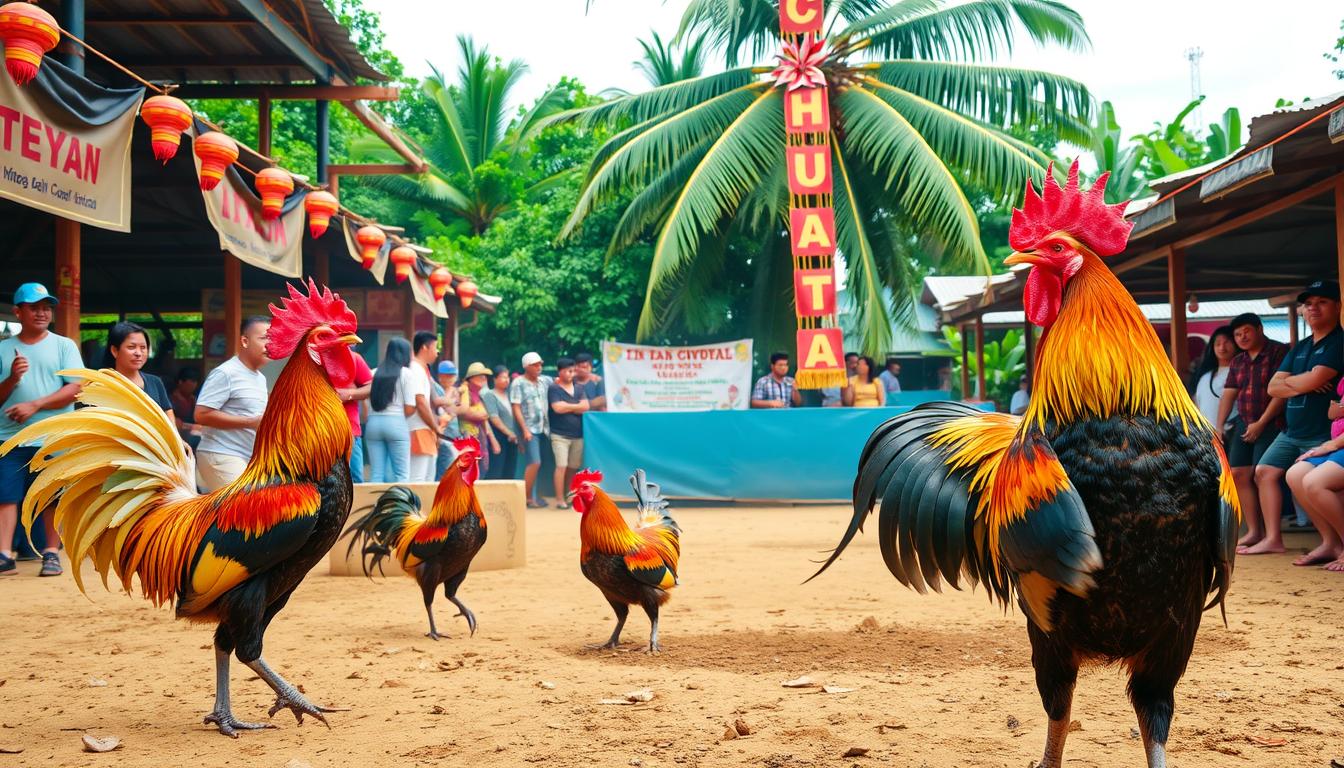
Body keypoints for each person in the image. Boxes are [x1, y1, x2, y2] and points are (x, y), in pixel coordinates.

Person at [1248, 281, 1344, 555]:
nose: (1313, 308)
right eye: (1308, 303)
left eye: (1322, 302)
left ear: (1337, 306)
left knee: (1317, 483)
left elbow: (1313, 379)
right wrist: (1306, 382)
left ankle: (1334, 543)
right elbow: (1272, 387)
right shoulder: (1300, 346)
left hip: (1323, 431)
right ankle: (1274, 539)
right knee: (1264, 472)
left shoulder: (1339, 342)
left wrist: (1302, 382)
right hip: (1292, 430)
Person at [0, 282, 81, 576]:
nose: (42, 313)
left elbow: (76, 388)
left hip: (52, 434)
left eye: (46, 307)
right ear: (18, 312)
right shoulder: (3, 348)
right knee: (5, 495)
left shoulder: (64, 345)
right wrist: (11, 378)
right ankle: (4, 554)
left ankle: (50, 552)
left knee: (52, 494)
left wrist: (34, 405)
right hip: (9, 436)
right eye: (34, 308)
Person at [1217, 312, 1289, 552]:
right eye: (1237, 334)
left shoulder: (1279, 352)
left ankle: (1272, 535)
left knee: (1262, 475)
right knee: (1237, 474)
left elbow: (1282, 391)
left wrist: (1261, 422)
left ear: (1259, 328)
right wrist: (1218, 426)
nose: (1242, 337)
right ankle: (1254, 531)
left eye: (1246, 331)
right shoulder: (1238, 361)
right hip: (1243, 422)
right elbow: (1229, 393)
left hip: (1272, 422)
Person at [193, 316, 270, 493]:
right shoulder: (226, 372)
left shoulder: (260, 378)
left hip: (246, 457)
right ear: (244, 341)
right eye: (264, 338)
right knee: (245, 510)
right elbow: (201, 414)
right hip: (221, 454)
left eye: (272, 338)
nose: (270, 344)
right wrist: (250, 422)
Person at [1286, 374, 1344, 572]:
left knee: (1314, 482)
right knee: (1295, 474)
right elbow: (1333, 412)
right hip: (1338, 445)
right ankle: (1331, 543)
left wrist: (1331, 444)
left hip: (1338, 444)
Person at [366, 338, 417, 483]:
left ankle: (373, 505)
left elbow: (365, 402)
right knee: (401, 475)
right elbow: (409, 406)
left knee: (376, 474)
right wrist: (399, 419)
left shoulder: (373, 373)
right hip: (396, 422)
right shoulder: (406, 373)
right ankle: (401, 505)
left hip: (373, 423)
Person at [104, 321, 173, 416]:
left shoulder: (155, 382)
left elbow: (168, 413)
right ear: (115, 351)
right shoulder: (102, 385)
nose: (138, 353)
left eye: (143, 347)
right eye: (131, 347)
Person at [511, 351, 552, 507]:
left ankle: (532, 497)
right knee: (535, 462)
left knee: (535, 463)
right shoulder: (518, 383)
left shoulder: (544, 381)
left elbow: (560, 380)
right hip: (530, 430)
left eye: (540, 364)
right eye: (535, 365)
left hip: (543, 428)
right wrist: (525, 430)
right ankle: (526, 498)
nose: (539, 367)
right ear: (526, 367)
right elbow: (516, 408)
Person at [548, 357, 589, 509]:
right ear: (560, 372)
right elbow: (557, 408)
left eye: (572, 371)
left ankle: (570, 497)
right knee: (561, 466)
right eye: (567, 371)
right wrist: (576, 406)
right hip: (559, 436)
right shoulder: (554, 388)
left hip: (578, 435)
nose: (571, 374)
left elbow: (586, 406)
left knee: (573, 467)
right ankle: (559, 499)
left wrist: (567, 406)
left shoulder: (579, 388)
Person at [334, 348, 373, 483]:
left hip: (350, 430)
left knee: (355, 479)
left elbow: (370, 387)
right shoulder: (315, 359)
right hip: (321, 432)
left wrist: (350, 393)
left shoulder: (355, 358)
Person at [408, 332, 440, 482]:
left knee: (426, 477)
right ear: (424, 348)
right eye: (435, 347)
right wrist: (435, 427)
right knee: (418, 479)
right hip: (418, 428)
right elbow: (420, 402)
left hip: (424, 428)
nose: (437, 352)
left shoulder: (420, 369)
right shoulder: (415, 369)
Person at [456, 362, 499, 475]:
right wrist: (479, 415)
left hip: (479, 437)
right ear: (470, 378)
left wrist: (493, 440)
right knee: (469, 470)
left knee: (481, 469)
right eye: (479, 375)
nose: (483, 378)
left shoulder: (479, 396)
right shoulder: (463, 392)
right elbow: (461, 412)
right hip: (467, 437)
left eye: (485, 376)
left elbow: (484, 420)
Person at [1190, 326, 1236, 428]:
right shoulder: (1204, 377)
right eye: (1218, 343)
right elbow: (1197, 404)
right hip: (1206, 434)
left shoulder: (1239, 372)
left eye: (1226, 342)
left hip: (1229, 432)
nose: (1222, 348)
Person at [483, 364, 519, 481]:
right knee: (496, 470)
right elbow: (494, 418)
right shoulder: (490, 395)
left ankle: (506, 499)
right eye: (503, 377)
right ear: (495, 379)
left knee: (510, 471)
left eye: (508, 377)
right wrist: (509, 433)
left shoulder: (510, 394)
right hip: (498, 437)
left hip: (513, 439)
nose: (507, 380)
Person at [432, 360, 461, 480]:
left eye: (453, 375)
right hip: (439, 435)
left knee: (450, 469)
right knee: (440, 470)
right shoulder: (436, 389)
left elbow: (454, 412)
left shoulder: (456, 391)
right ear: (440, 376)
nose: (451, 378)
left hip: (453, 436)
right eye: (448, 375)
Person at [170, 367, 202, 450]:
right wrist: (191, 427)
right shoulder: (172, 399)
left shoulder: (193, 399)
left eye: (195, 382)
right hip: (178, 436)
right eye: (191, 381)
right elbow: (174, 421)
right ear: (181, 382)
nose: (194, 385)